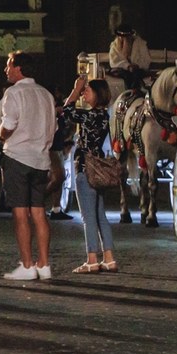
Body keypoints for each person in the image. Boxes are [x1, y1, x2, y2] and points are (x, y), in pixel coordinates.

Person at [0, 51, 59, 280]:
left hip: (18, 157)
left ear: (19, 68)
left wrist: (1, 133)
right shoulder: (46, 95)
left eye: (9, 65)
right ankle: (44, 264)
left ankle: (27, 264)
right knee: (39, 212)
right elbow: (53, 128)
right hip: (41, 159)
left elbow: (9, 124)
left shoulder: (13, 93)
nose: (6, 70)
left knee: (21, 214)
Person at [59, 76, 118, 273]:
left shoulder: (90, 116)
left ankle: (91, 259)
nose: (84, 93)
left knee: (88, 218)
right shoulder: (104, 116)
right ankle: (109, 258)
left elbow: (66, 112)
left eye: (87, 90)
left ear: (98, 94)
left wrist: (75, 90)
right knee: (101, 216)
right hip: (99, 169)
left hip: (85, 168)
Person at [108, 25, 151, 91]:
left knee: (136, 74)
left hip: (137, 69)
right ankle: (129, 93)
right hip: (121, 70)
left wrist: (136, 66)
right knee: (126, 75)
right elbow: (113, 62)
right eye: (121, 37)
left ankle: (136, 93)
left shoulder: (141, 44)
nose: (123, 39)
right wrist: (127, 66)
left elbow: (146, 60)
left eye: (126, 37)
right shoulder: (114, 45)